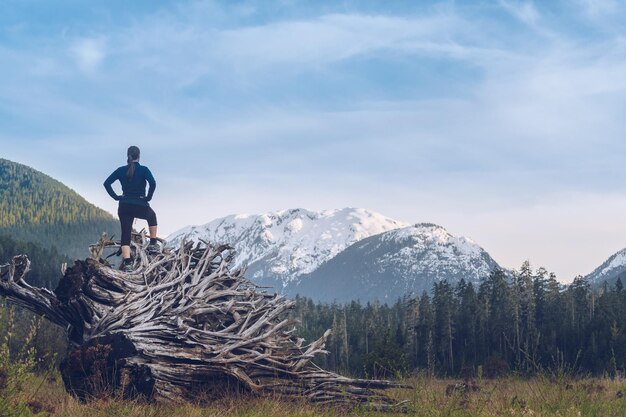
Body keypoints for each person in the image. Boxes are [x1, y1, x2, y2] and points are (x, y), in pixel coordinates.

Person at [103, 146, 159, 272]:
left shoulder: (120, 170)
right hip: (140, 203)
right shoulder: (144, 170)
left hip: (124, 205)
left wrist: (116, 197)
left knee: (126, 233)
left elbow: (106, 183)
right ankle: (153, 244)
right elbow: (153, 183)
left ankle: (127, 262)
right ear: (139, 156)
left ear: (128, 156)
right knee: (152, 216)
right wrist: (148, 197)